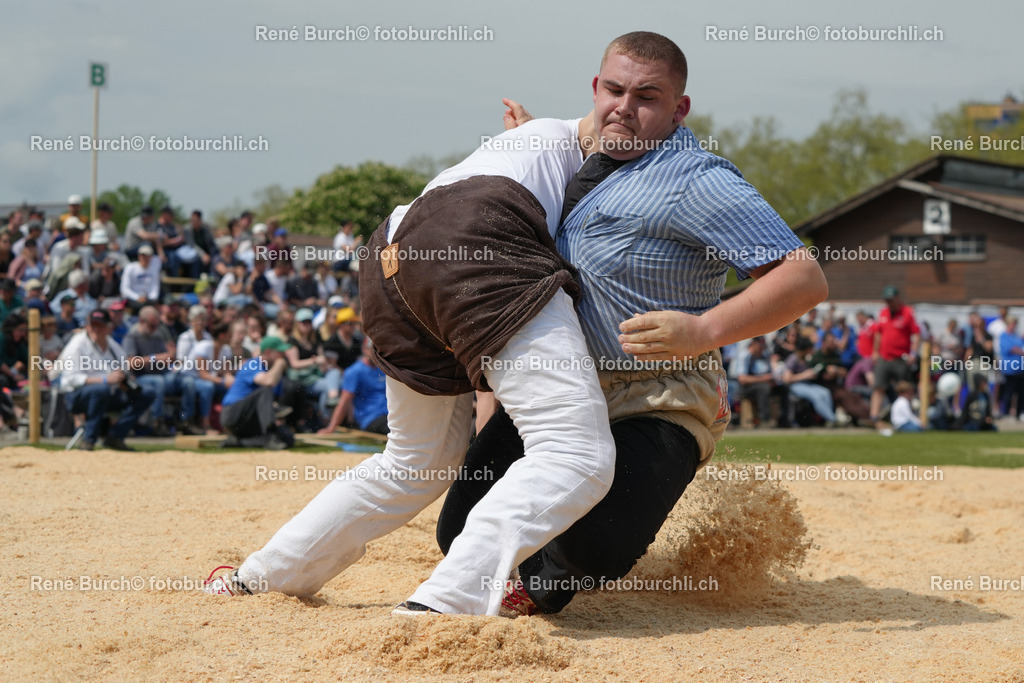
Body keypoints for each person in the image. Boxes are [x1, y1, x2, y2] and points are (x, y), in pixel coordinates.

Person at [437, 31, 827, 616]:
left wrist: (704, 332)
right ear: (596, 89)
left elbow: (804, 278)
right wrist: (532, 137)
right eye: (615, 90)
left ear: (679, 108)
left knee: (593, 547)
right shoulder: (579, 161)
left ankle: (561, 570)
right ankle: (544, 564)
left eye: (647, 97)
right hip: (561, 384)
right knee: (458, 532)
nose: (625, 107)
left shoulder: (698, 180)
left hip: (658, 394)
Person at [205, 108, 617, 619]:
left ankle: (259, 578)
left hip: (392, 253)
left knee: (416, 462)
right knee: (577, 453)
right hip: (473, 238)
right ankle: (445, 601)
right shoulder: (608, 153)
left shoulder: (541, 142)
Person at [57, 309, 155, 450]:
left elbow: (124, 366)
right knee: (100, 389)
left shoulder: (112, 345)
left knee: (146, 392)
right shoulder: (77, 345)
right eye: (93, 325)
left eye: (100, 325)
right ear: (87, 326)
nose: (96, 329)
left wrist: (122, 379)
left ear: (109, 327)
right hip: (75, 396)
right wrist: (105, 380)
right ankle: (89, 440)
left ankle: (115, 436)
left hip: (108, 393)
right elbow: (71, 379)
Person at [219, 336, 294, 450]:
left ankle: (239, 442)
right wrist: (279, 364)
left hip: (250, 418)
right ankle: (270, 435)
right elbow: (268, 382)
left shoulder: (273, 372)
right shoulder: (252, 364)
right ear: (268, 352)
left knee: (288, 438)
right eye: (280, 353)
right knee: (265, 391)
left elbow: (271, 400)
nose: (283, 356)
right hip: (232, 414)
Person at [870, 286, 920, 427]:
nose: (889, 303)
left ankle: (907, 417)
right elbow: (878, 333)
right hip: (884, 357)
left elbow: (916, 334)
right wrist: (875, 352)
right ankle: (874, 417)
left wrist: (913, 353)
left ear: (898, 298)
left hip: (901, 358)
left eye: (891, 300)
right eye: (887, 300)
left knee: (905, 388)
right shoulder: (883, 313)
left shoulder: (907, 312)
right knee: (878, 387)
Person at [318, 337, 388, 435]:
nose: (375, 352)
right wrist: (331, 428)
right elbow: (343, 402)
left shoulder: (384, 368)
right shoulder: (354, 371)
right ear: (364, 349)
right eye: (372, 349)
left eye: (377, 349)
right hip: (371, 418)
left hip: (389, 415)